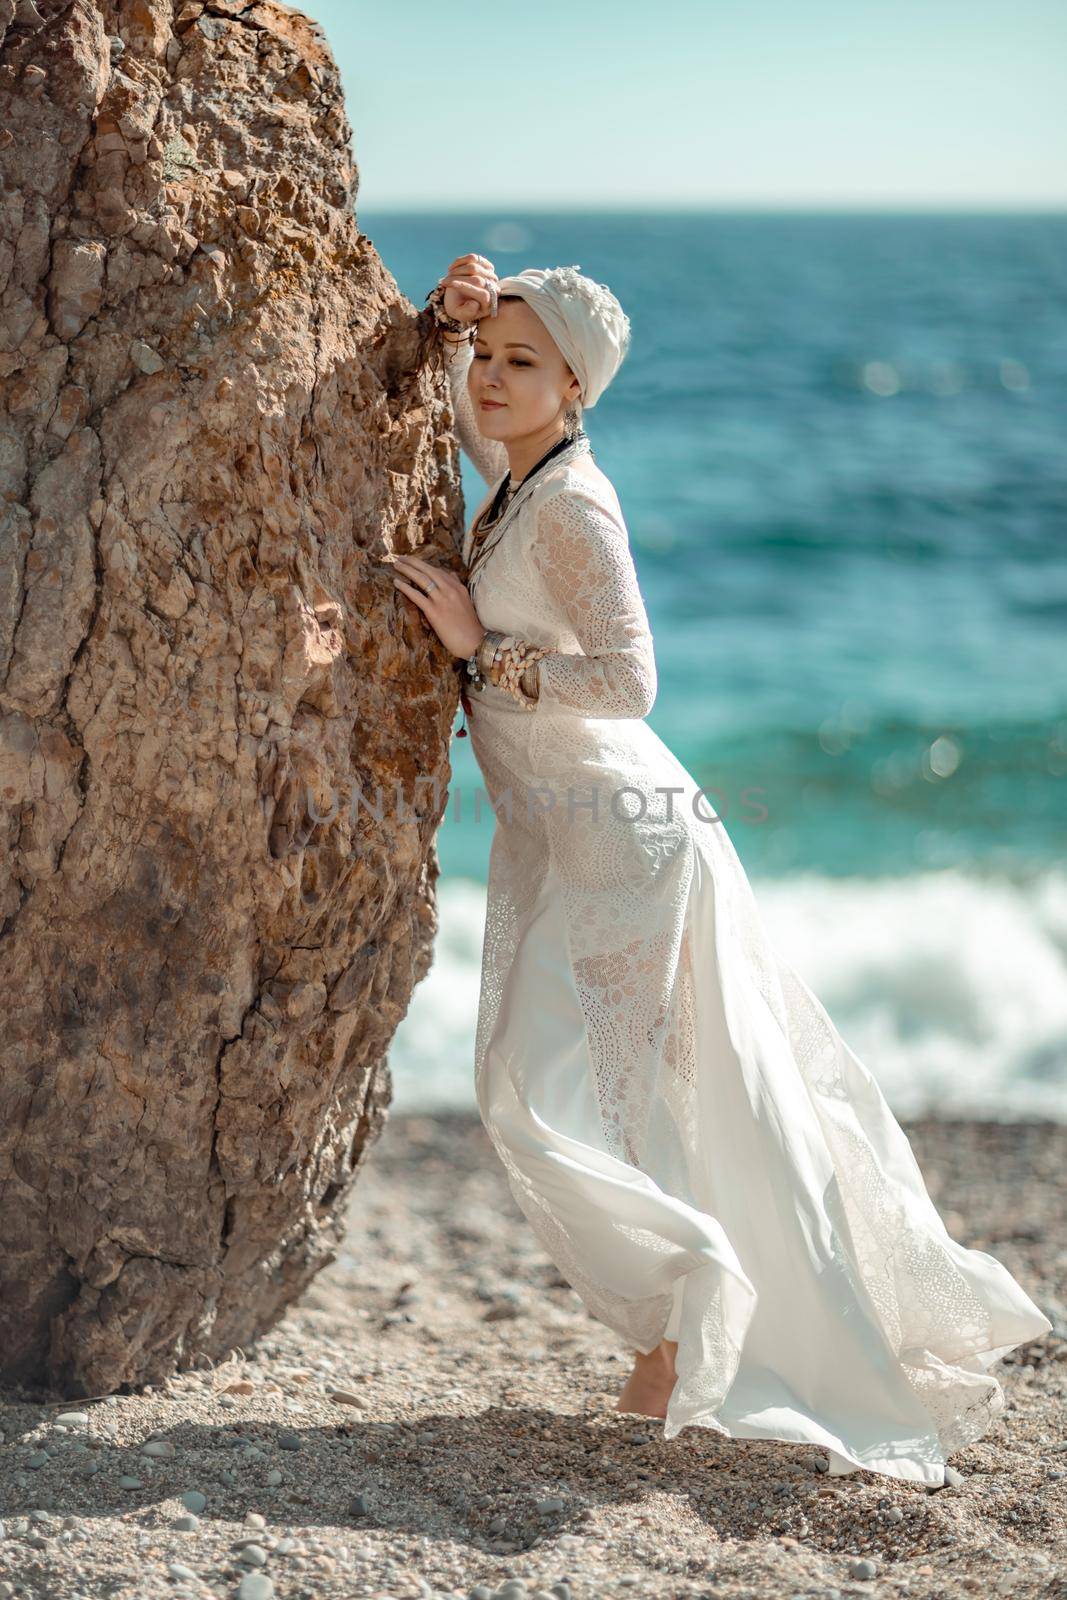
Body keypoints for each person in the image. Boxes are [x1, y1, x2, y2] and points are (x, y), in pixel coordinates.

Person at [386, 252, 1051, 1485]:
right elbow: (457, 431)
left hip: (625, 838)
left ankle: (683, 1335)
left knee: (616, 1099)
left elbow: (632, 678)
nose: (489, 379)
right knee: (576, 1090)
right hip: (572, 836)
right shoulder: (523, 481)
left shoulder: (575, 503)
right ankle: (688, 1322)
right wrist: (443, 324)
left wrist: (488, 653)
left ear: (575, 385)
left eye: (519, 362)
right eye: (489, 358)